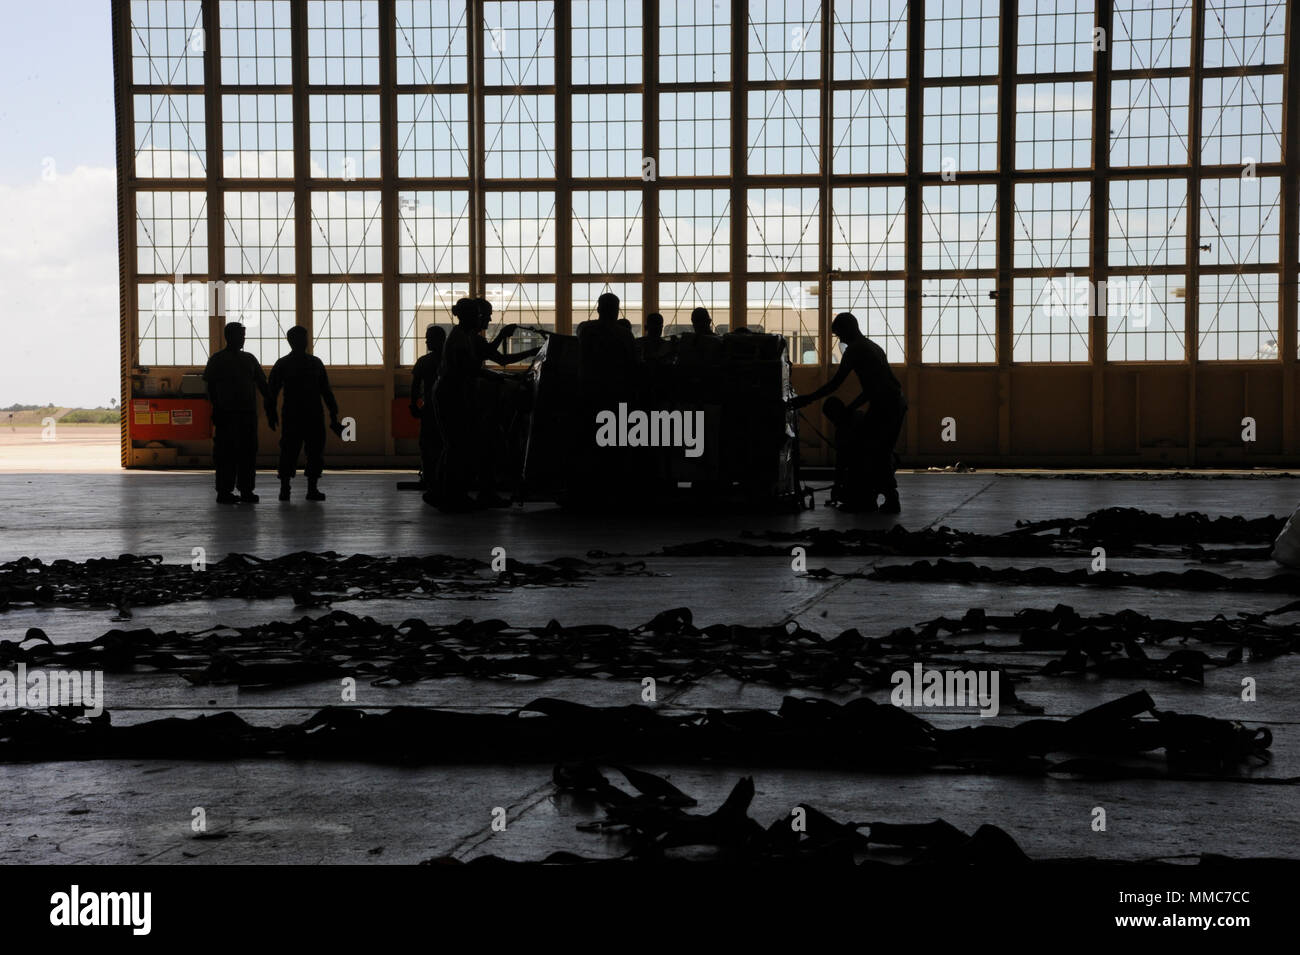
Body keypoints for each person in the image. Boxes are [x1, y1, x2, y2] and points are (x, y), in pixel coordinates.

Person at [791, 312, 907, 514]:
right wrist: (851, 407)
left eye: (839, 334)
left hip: (885, 407)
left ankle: (877, 499)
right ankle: (873, 498)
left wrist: (807, 398)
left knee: (874, 453)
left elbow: (835, 383)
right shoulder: (873, 347)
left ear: (848, 329)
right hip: (894, 403)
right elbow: (873, 389)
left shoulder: (855, 350)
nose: (840, 339)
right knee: (877, 452)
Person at [266, 326, 341, 502]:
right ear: (293, 341)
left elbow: (326, 391)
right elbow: (272, 391)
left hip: (303, 414)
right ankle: (292, 488)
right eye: (302, 338)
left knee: (308, 451)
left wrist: (333, 413)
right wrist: (333, 414)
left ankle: (301, 489)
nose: (304, 342)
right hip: (302, 414)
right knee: (293, 451)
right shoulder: (309, 363)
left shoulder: (290, 363)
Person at [203, 321, 270, 504]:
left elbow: (263, 384)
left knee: (247, 453)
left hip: (244, 414)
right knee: (227, 454)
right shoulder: (220, 360)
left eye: (243, 336)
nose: (242, 339)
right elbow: (211, 387)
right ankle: (225, 490)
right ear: (229, 337)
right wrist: (216, 408)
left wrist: (270, 401)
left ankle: (245, 490)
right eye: (240, 335)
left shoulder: (247, 359)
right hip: (228, 414)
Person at [431, 298, 482, 511]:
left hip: (449, 392)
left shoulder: (462, 336)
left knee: (453, 445)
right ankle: (452, 494)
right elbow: (466, 368)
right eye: (476, 314)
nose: (479, 319)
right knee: (456, 445)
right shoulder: (461, 338)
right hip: (450, 394)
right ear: (467, 315)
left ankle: (444, 492)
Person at [410, 324, 446, 496]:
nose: (426, 341)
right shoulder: (449, 360)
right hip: (447, 410)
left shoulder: (424, 362)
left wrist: (413, 405)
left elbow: (415, 387)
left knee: (427, 446)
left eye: (429, 338)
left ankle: (430, 480)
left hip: (429, 411)